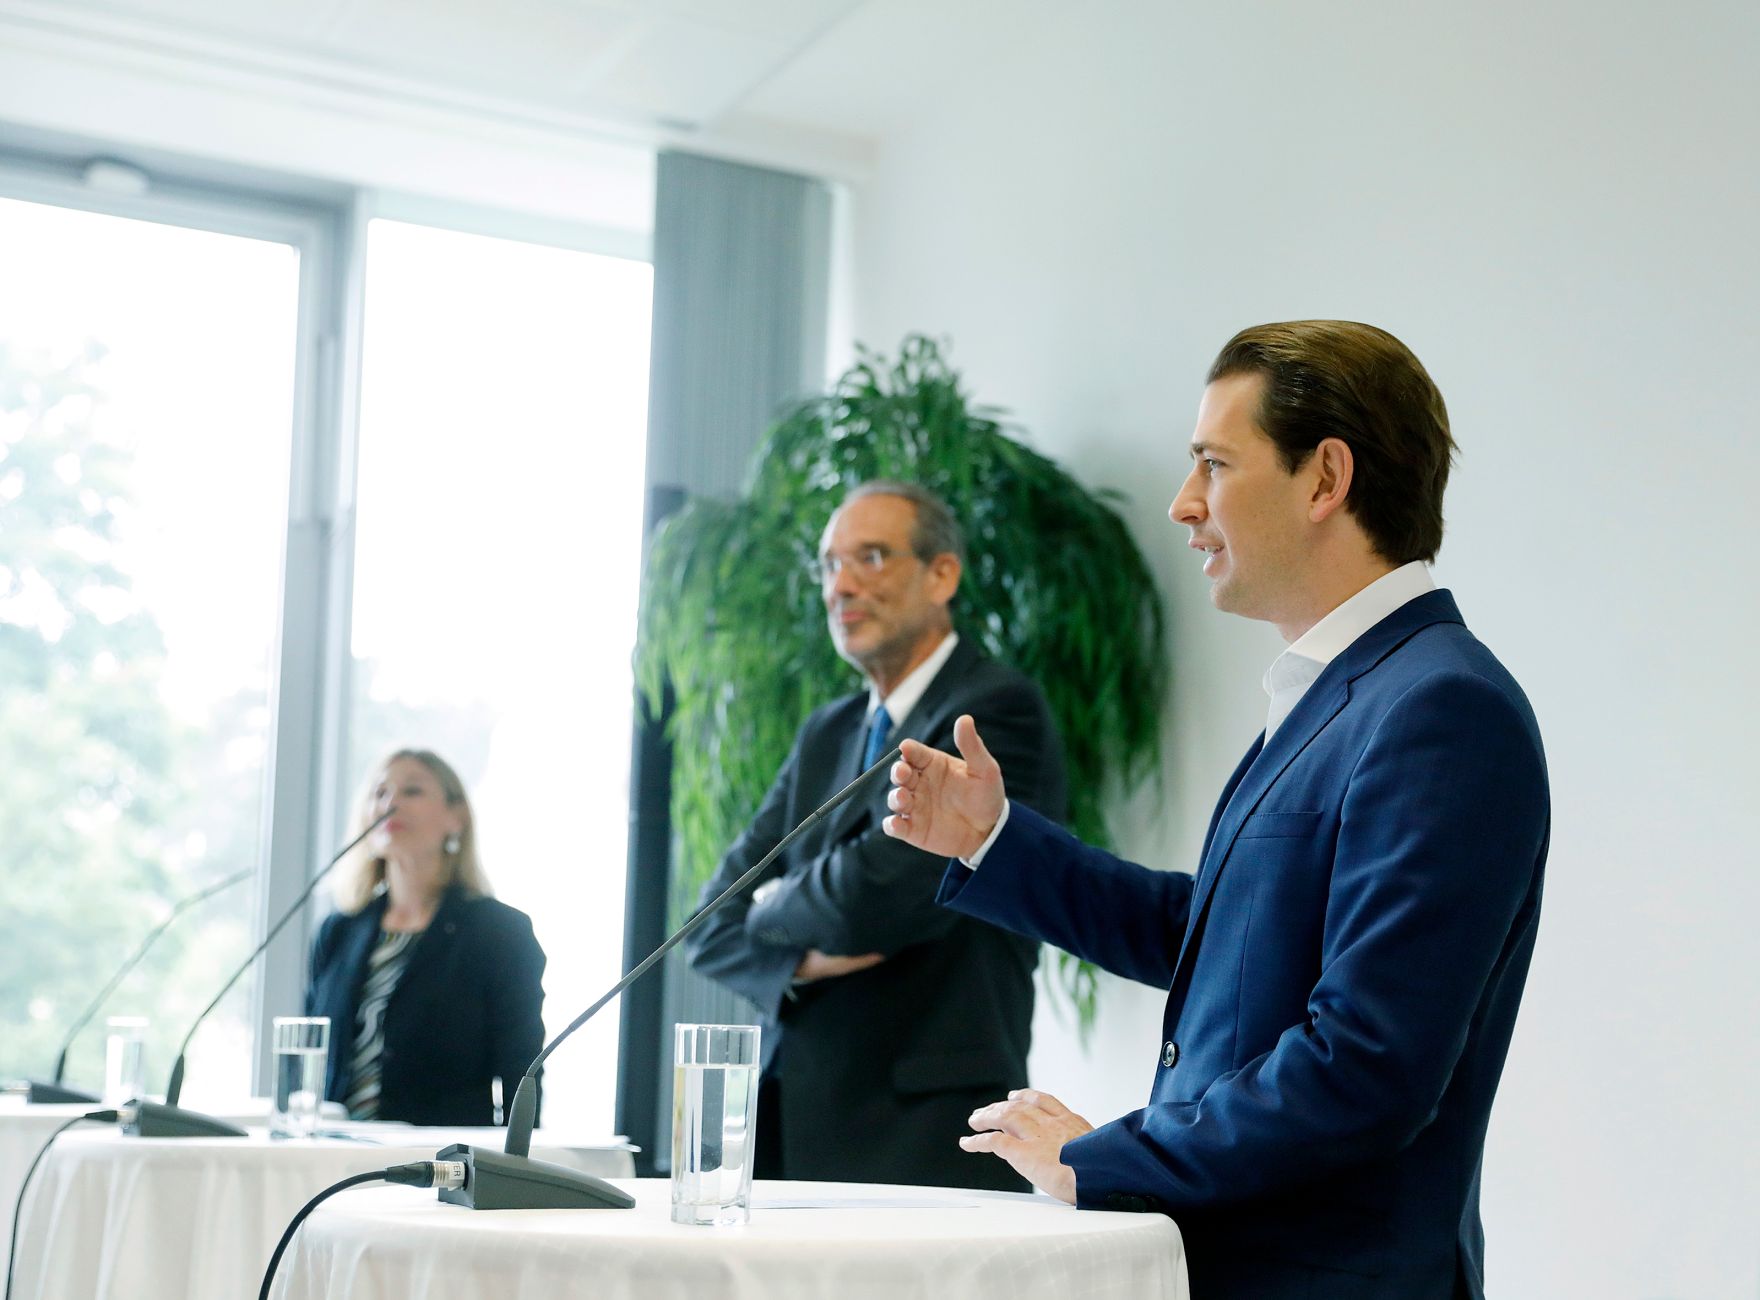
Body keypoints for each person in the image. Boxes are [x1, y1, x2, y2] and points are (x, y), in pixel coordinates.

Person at [884, 322, 1549, 1299]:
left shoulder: (1440, 709)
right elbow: (1215, 941)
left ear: (1324, 479)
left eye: (1211, 463)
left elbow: (1362, 1066)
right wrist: (989, 838)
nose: (1181, 504)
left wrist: (1098, 1157)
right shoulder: (1340, 696)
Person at [685, 481, 1068, 1191]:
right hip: (787, 1128)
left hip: (922, 1136)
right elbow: (708, 923)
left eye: (871, 556)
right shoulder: (828, 730)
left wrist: (770, 908)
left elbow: (877, 894)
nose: (843, 585)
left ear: (942, 573)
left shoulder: (990, 711)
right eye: (830, 564)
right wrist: (804, 962)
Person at [306, 749, 546, 1127]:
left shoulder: (499, 932)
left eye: (412, 791)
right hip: (334, 1157)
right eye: (379, 793)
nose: (390, 803)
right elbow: (308, 1057)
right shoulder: (338, 931)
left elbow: (522, 1068)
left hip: (439, 1165)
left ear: (456, 817)